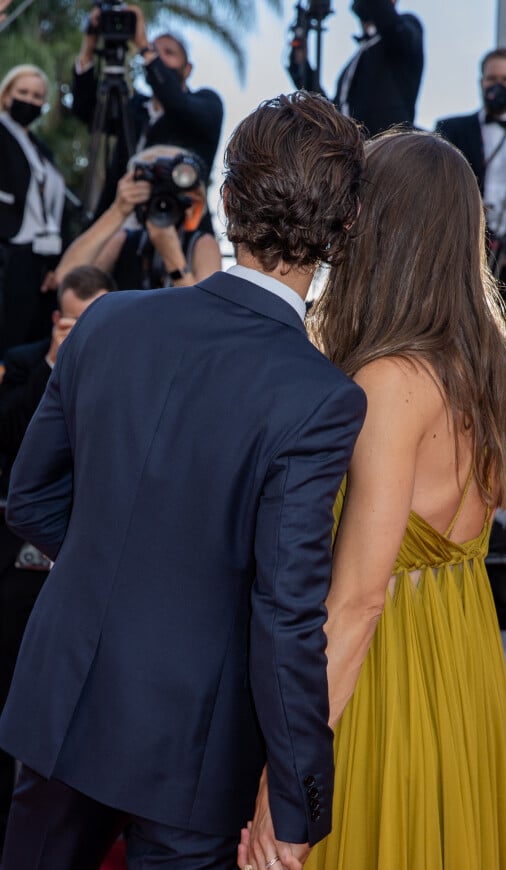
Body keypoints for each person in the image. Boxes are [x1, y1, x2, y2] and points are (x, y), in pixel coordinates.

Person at [0, 91, 366, 870]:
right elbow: (286, 618)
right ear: (343, 231)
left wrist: (117, 569)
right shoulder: (320, 398)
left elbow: (29, 497)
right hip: (195, 754)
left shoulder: (107, 321)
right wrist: (297, 806)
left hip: (64, 709)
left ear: (226, 201)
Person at [240, 130, 506, 869]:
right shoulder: (488, 375)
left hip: (382, 682)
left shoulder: (390, 382)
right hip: (462, 677)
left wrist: (287, 783)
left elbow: (360, 600)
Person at [0, 265, 113, 858]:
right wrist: (56, 360)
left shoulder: (132, 368)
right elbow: (20, 463)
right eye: (75, 322)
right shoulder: (25, 361)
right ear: (58, 317)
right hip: (24, 571)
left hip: (84, 581)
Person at [72, 5, 223, 227]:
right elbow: (86, 112)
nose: (157, 57)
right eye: (155, 50)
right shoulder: (134, 107)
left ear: (188, 68)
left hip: (178, 221)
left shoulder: (206, 102)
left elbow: (177, 104)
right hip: (121, 223)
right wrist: (88, 49)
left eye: (168, 53)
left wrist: (145, 47)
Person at [436, 47, 506, 317]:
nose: (497, 87)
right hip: (460, 254)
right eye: (491, 79)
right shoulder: (452, 129)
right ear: (481, 83)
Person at [55, 145, 221, 290]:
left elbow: (210, 314)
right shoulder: (125, 241)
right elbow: (66, 279)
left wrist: (173, 258)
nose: (162, 198)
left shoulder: (201, 245)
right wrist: (118, 211)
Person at [0, 64, 67, 357]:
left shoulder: (41, 149)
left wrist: (56, 263)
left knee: (28, 344)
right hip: (8, 250)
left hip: (40, 259)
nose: (30, 100)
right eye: (23, 92)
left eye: (38, 96)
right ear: (6, 96)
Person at [289, 0, 423, 136]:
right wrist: (301, 64)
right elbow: (331, 110)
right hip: (352, 149)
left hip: (385, 148)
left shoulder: (405, 30)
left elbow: (391, 26)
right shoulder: (357, 61)